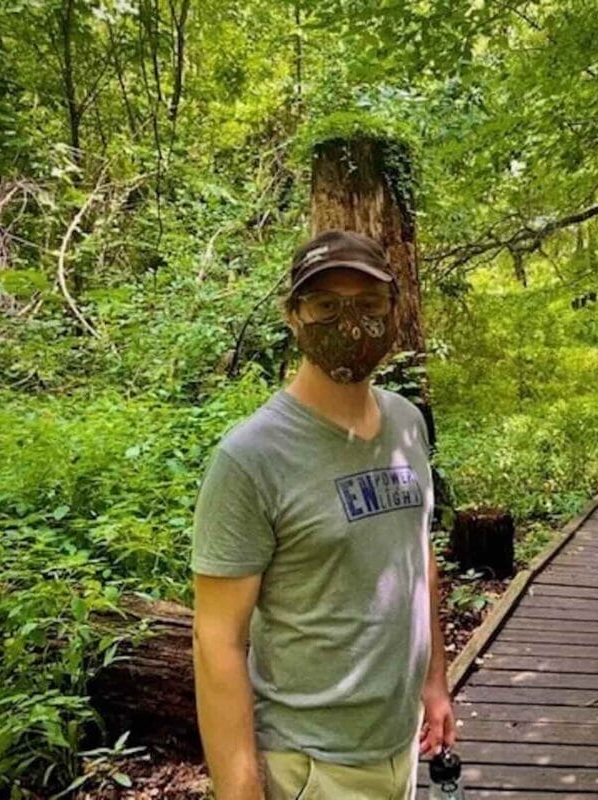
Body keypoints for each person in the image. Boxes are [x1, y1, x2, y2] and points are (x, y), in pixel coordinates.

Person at [191, 229, 456, 800]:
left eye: (367, 304)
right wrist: (241, 790)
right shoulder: (251, 457)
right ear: (293, 316)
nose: (350, 323)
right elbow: (217, 638)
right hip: (309, 765)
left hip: (400, 744)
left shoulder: (407, 424)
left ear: (393, 310)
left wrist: (435, 680)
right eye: (326, 306)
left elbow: (417, 556)